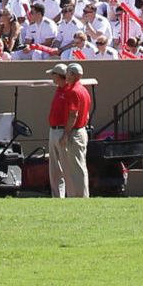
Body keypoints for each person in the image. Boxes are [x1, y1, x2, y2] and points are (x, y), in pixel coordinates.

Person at [46, 63, 94, 198]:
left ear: (72, 74)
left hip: (71, 132)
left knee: (73, 169)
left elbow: (74, 115)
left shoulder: (73, 91)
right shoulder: (82, 90)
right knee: (72, 168)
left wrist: (66, 134)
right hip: (73, 130)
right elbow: (86, 113)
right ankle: (74, 197)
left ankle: (79, 198)